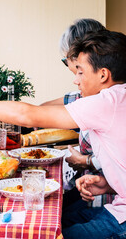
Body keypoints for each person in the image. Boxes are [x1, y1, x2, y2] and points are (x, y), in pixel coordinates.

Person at [0, 30, 126, 238]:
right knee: (58, 219)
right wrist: (110, 185)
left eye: (80, 72)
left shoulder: (107, 101)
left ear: (103, 75)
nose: (76, 81)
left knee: (49, 232)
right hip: (118, 204)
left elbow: (29, 115)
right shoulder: (118, 99)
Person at [41, 18, 110, 208]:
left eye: (67, 61)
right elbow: (45, 108)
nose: (73, 76)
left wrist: (87, 161)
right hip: (91, 189)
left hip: (106, 200)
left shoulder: (108, 99)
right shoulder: (87, 92)